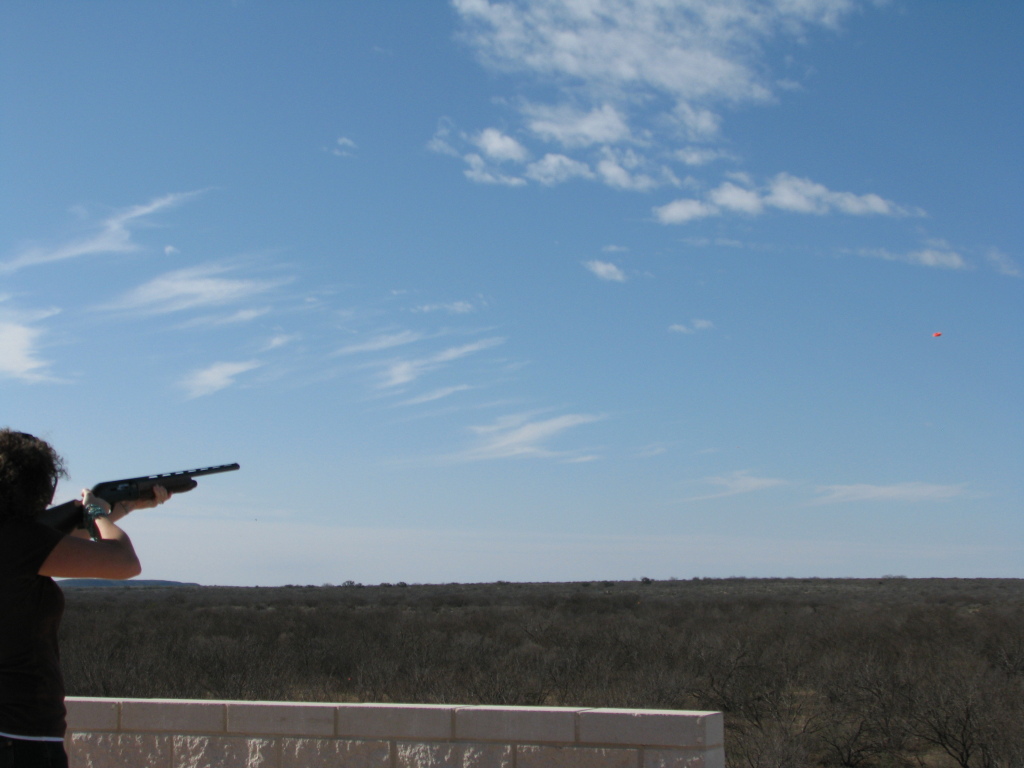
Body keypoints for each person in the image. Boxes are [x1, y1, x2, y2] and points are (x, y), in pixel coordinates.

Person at [0, 429, 171, 768]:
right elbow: (124, 561)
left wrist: (122, 507)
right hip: (23, 736)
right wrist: (96, 513)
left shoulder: (15, 541)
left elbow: (60, 542)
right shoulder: (21, 540)